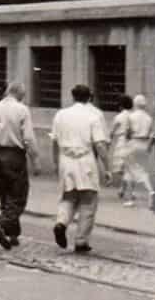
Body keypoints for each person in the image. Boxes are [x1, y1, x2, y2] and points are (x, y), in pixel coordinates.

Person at [51, 84, 113, 253]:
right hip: (85, 161)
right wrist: (107, 168)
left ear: (73, 96)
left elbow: (55, 142)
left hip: (65, 160)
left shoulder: (61, 115)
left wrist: (56, 164)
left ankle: (61, 223)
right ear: (89, 97)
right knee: (88, 201)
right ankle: (81, 240)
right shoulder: (93, 116)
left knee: (68, 197)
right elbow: (100, 145)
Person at [0, 82, 38, 250]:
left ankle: (13, 235)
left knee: (5, 195)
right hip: (15, 156)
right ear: (18, 93)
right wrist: (35, 158)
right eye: (23, 94)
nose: (24, 97)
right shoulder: (22, 109)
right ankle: (2, 224)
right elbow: (28, 137)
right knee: (18, 195)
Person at [123, 94, 155, 208]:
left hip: (133, 143)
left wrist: (127, 142)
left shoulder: (131, 117)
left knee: (132, 170)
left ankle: (150, 190)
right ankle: (130, 197)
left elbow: (127, 132)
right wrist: (149, 147)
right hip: (144, 144)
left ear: (135, 104)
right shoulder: (149, 118)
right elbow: (152, 134)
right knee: (136, 170)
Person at [109, 94, 133, 199]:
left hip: (122, 141)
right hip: (132, 141)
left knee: (122, 168)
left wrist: (109, 141)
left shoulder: (119, 117)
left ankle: (124, 189)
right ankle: (125, 189)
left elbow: (112, 131)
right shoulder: (133, 116)